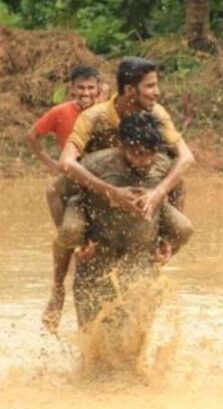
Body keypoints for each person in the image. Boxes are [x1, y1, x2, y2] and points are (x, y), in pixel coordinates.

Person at [47, 57, 194, 333]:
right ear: (129, 91)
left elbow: (185, 159)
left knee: (179, 218)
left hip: (142, 199)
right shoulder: (95, 116)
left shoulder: (157, 115)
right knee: (67, 223)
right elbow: (67, 163)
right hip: (94, 189)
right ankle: (57, 291)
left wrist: (158, 196)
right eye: (150, 86)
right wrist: (110, 191)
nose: (157, 92)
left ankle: (161, 246)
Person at [26, 65, 102, 333]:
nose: (85, 93)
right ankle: (58, 288)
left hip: (103, 176)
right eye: (80, 88)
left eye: (90, 88)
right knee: (53, 194)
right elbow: (32, 135)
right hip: (72, 176)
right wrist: (51, 164)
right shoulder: (61, 112)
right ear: (71, 89)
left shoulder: (105, 110)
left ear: (99, 89)